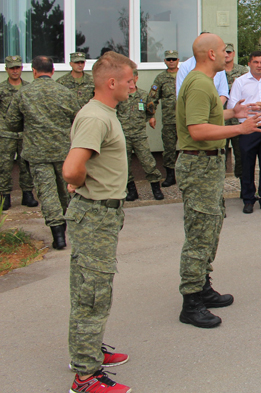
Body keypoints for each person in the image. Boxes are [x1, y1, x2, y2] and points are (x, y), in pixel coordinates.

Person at [176, 34, 261, 328]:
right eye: (224, 51)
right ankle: (191, 302)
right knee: (200, 233)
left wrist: (232, 112)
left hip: (207, 165)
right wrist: (240, 129)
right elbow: (198, 130)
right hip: (198, 164)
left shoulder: (201, 82)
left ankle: (202, 286)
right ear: (210, 54)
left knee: (211, 226)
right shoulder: (200, 84)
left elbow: (207, 119)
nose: (228, 55)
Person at [62, 51, 137, 393]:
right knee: (93, 293)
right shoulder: (96, 117)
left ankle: (87, 352)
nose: (133, 86)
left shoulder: (104, 112)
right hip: (94, 214)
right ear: (112, 82)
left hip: (102, 214)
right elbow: (71, 168)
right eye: (129, 80)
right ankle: (85, 376)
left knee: (91, 289)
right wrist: (78, 181)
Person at [3, 55, 80, 249]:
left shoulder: (23, 93)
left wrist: (29, 125)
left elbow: (11, 123)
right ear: (53, 71)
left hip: (37, 154)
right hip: (63, 151)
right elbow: (78, 119)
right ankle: (69, 228)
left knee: (47, 194)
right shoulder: (65, 92)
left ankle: (58, 236)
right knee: (65, 191)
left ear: (34, 71)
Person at [228, 50, 261, 213]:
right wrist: (250, 107)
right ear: (249, 63)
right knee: (247, 165)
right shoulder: (240, 82)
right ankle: (248, 199)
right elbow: (232, 106)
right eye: (256, 62)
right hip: (248, 127)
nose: (259, 66)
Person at [117, 69, 164, 201]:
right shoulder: (120, 96)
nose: (130, 83)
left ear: (136, 79)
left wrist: (152, 118)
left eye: (131, 80)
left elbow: (150, 110)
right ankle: (132, 190)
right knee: (124, 164)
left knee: (148, 162)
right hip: (123, 136)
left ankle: (156, 188)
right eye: (127, 80)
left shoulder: (143, 95)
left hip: (139, 136)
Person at [1, 55, 35, 210]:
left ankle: (27, 194)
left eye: (18, 68)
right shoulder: (1, 89)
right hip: (6, 134)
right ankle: (5, 196)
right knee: (5, 166)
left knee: (26, 165)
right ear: (6, 69)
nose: (15, 71)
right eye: (12, 68)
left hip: (25, 133)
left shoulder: (29, 88)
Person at [147, 50, 180, 187]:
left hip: (186, 119)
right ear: (165, 61)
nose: (171, 61)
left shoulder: (186, 75)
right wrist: (151, 115)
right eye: (169, 59)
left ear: (178, 60)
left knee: (191, 147)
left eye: (174, 59)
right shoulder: (160, 78)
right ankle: (170, 176)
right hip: (169, 120)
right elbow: (152, 98)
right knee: (169, 149)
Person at [223, 43, 248, 179]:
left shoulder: (242, 71)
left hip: (238, 120)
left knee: (241, 154)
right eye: (224, 52)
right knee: (220, 155)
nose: (227, 55)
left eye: (229, 52)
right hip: (221, 120)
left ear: (233, 53)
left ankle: (243, 186)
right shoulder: (217, 71)